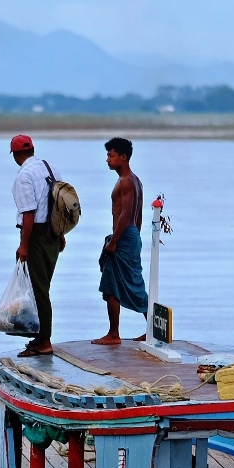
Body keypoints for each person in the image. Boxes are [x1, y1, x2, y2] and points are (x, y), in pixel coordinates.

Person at [90, 136, 147, 345]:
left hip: (123, 237)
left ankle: (113, 334)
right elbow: (138, 216)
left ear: (123, 157)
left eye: (111, 155)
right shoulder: (136, 180)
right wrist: (136, 236)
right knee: (135, 283)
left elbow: (126, 213)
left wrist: (113, 242)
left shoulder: (126, 181)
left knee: (111, 284)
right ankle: (152, 329)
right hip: (131, 235)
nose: (107, 159)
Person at [9, 133, 62, 357]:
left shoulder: (24, 176)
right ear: (32, 149)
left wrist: (24, 245)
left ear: (17, 154)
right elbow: (59, 203)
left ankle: (44, 340)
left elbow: (29, 214)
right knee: (42, 287)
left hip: (37, 235)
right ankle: (40, 335)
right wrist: (60, 234)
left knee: (39, 290)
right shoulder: (49, 168)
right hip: (53, 233)